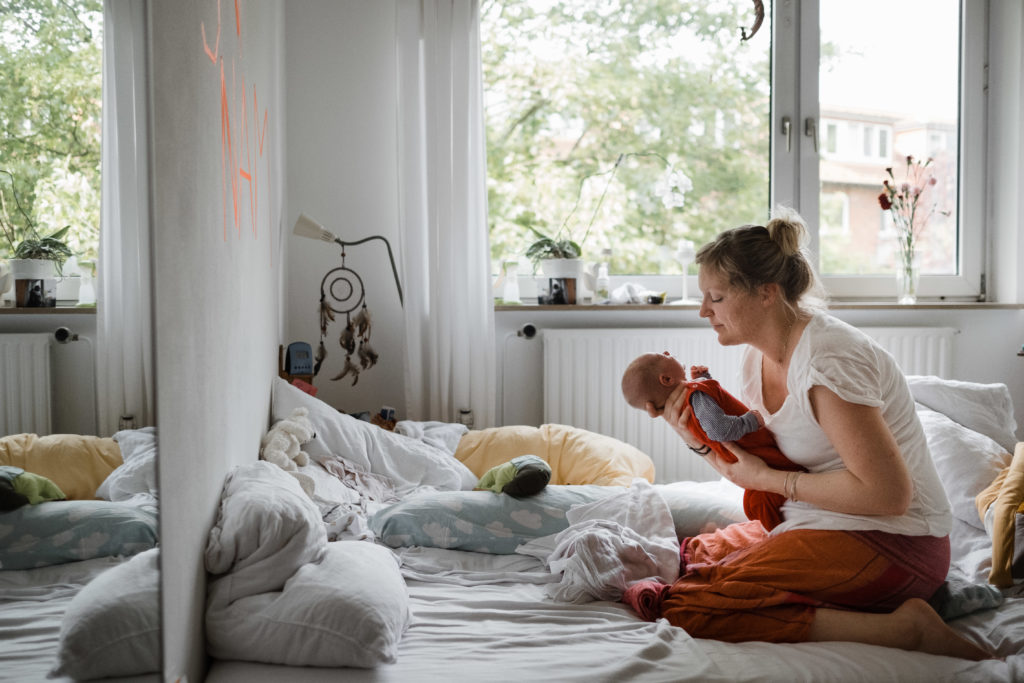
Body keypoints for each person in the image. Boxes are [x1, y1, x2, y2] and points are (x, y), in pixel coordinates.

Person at [623, 207, 993, 660]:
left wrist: (770, 481)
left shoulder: (828, 362)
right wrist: (694, 438)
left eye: (716, 297)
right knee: (696, 556)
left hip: (896, 540)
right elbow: (760, 462)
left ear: (767, 292)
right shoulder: (756, 359)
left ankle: (906, 629)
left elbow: (888, 495)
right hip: (823, 520)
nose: (704, 311)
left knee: (688, 605)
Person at [620, 352, 803, 530]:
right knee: (762, 500)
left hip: (751, 463)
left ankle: (777, 530)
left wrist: (704, 378)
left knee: (759, 503)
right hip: (760, 455)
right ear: (667, 379)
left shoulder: (694, 398)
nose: (668, 352)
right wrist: (750, 421)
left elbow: (714, 406)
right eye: (663, 356)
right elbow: (719, 430)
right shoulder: (696, 395)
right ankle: (781, 531)